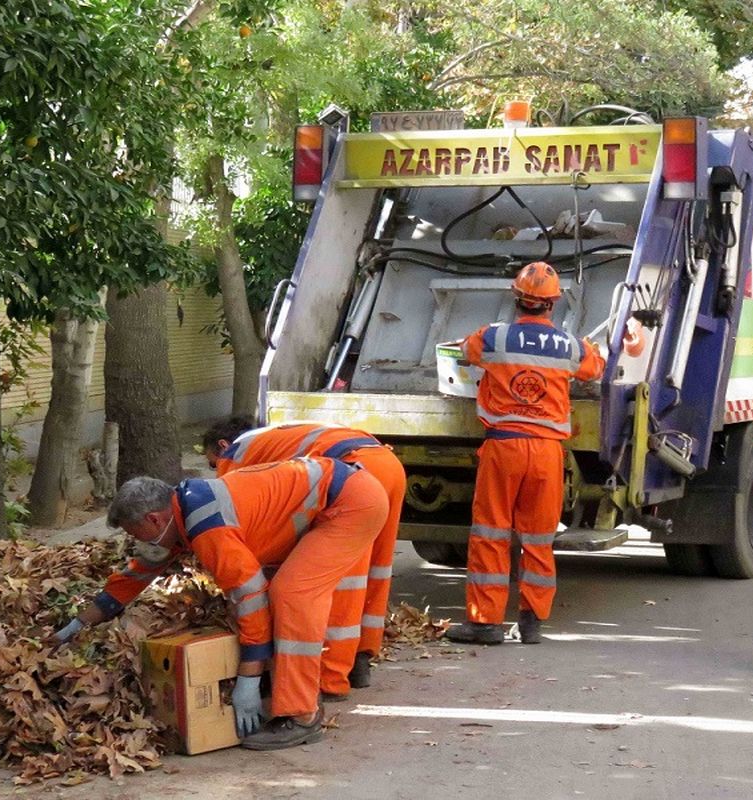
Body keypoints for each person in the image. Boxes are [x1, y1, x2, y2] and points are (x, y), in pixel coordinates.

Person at [46, 457, 388, 751]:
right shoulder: (181, 512)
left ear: (154, 519)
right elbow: (135, 575)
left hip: (350, 503)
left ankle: (303, 716)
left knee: (290, 593)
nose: (137, 542)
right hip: (342, 495)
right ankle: (284, 686)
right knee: (278, 591)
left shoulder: (206, 527)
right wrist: (78, 625)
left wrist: (248, 678)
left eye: (136, 534)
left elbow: (251, 597)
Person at [445, 261, 606, 646]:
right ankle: (531, 623)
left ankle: (485, 624)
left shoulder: (493, 338)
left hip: (504, 447)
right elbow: (595, 367)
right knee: (538, 538)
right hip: (548, 452)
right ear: (553, 304)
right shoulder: (569, 346)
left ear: (516, 299)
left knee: (491, 534)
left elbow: (463, 352)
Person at [203, 417, 406, 698]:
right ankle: (361, 658)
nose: (217, 471)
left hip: (354, 475)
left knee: (342, 582)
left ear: (222, 446)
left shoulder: (235, 455)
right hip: (387, 464)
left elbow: (238, 517)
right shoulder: (276, 436)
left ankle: (329, 677)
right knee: (376, 567)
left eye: (214, 464)